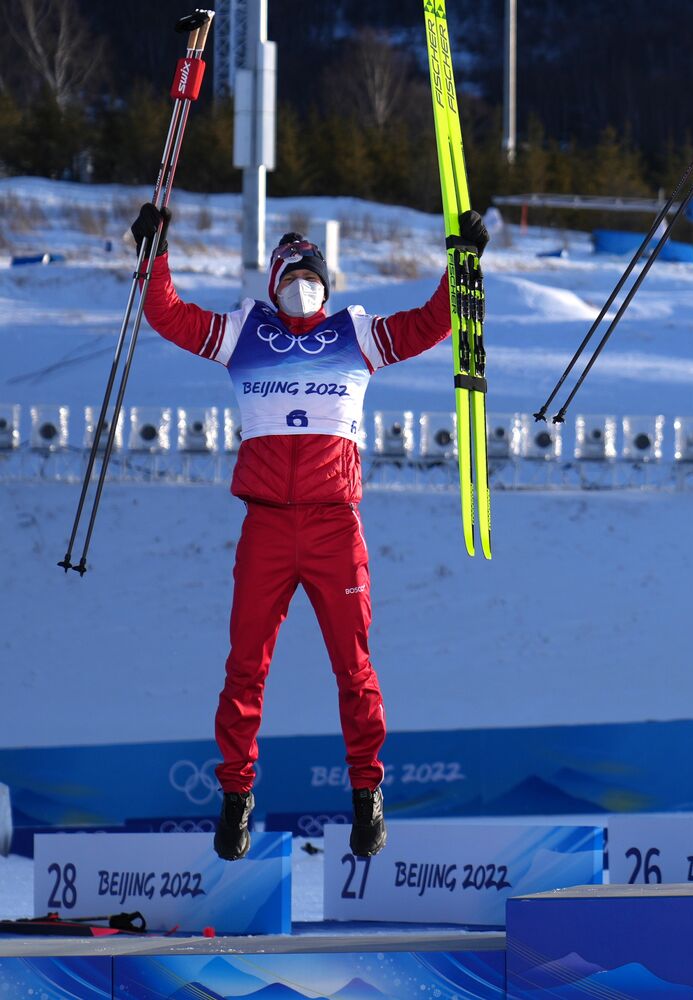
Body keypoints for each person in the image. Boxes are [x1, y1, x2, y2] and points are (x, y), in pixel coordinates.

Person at [130, 206, 489, 859]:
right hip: (266, 525)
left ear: (329, 279)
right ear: (272, 281)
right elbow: (168, 314)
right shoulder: (245, 332)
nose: (303, 279)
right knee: (245, 669)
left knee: (353, 669)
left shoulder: (358, 333)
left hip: (334, 527)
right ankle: (237, 799)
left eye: (311, 269)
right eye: (291, 270)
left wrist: (463, 261)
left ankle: (366, 794)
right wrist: (154, 255)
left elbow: (433, 324)